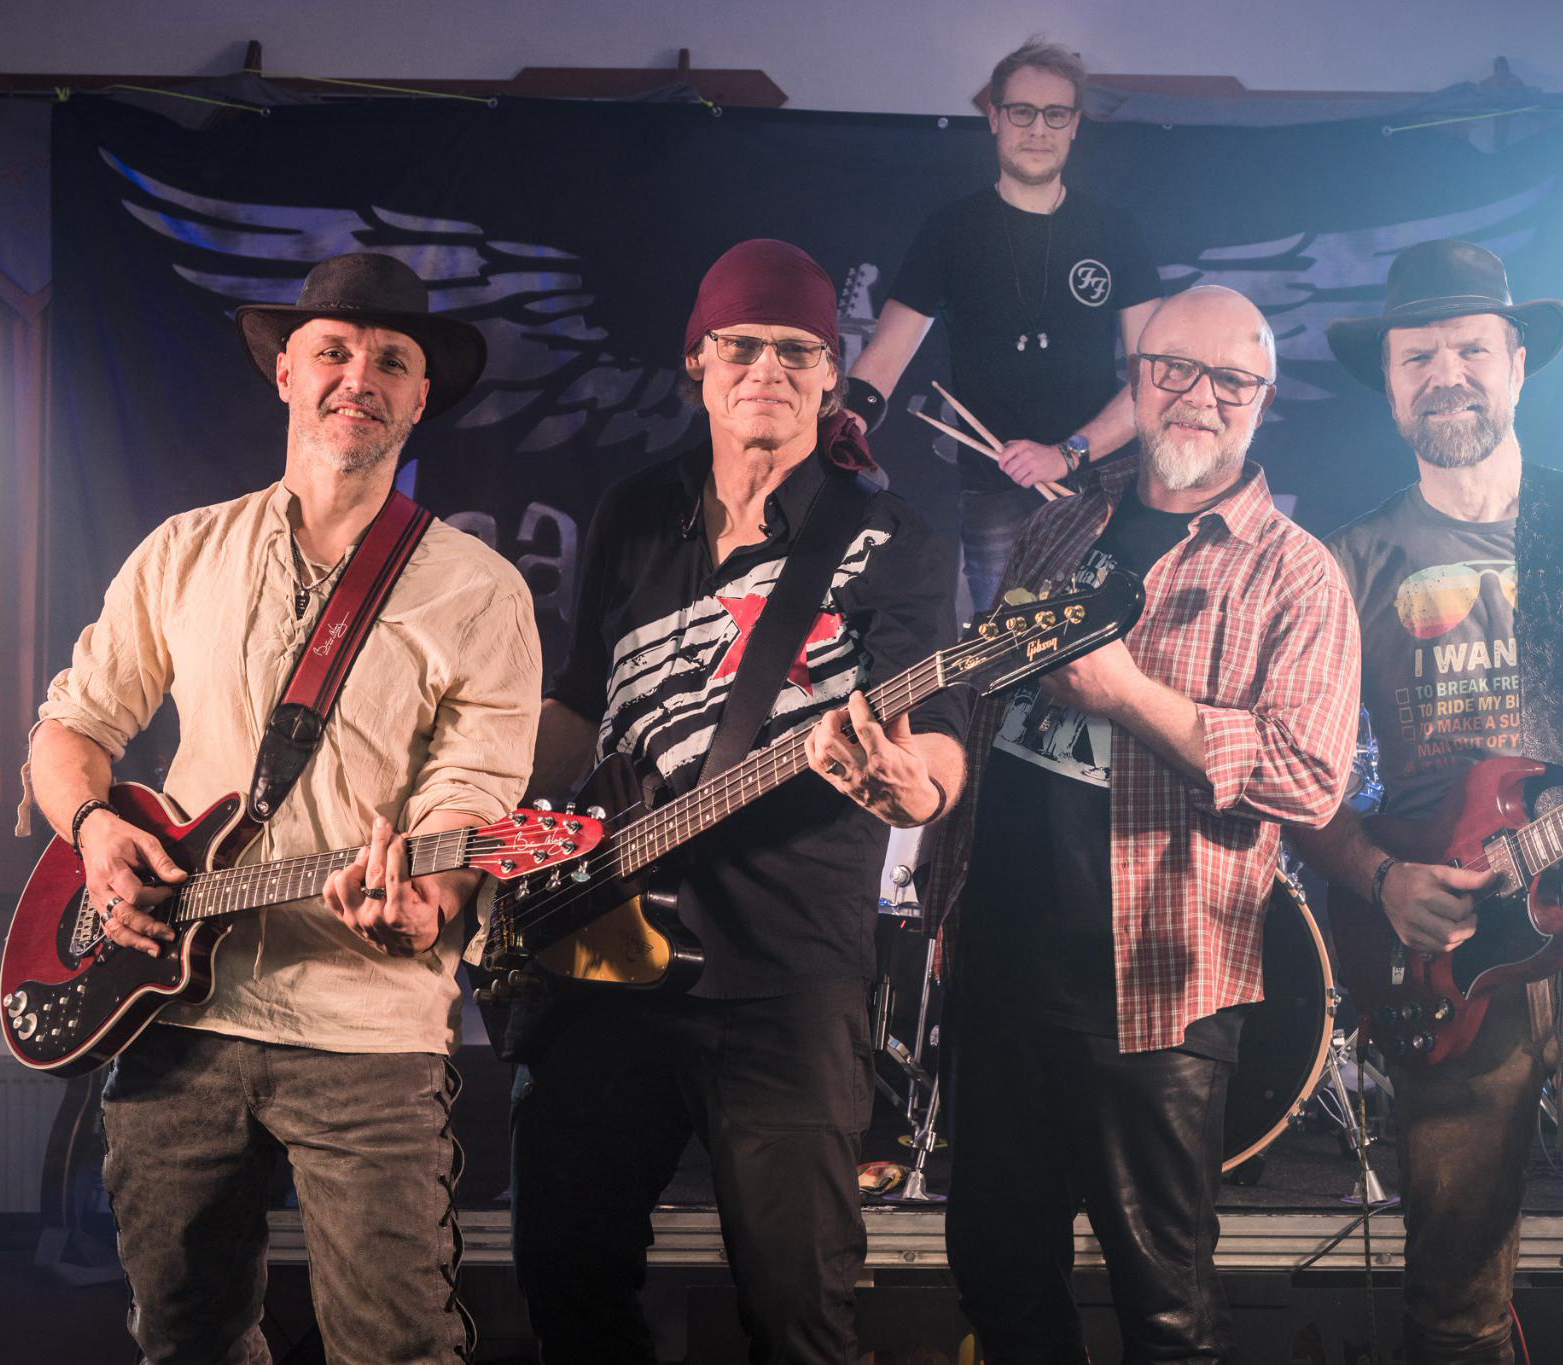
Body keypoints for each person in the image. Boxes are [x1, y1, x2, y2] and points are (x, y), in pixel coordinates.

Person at [25, 251, 542, 1364]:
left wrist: (428, 899)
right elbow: (70, 732)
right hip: (173, 1018)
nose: (360, 376)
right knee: (185, 1337)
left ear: (418, 398)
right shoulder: (183, 550)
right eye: (334, 352)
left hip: (367, 1028)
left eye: (390, 361)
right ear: (287, 375)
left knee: (394, 1345)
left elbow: (474, 794)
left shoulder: (480, 588)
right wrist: (95, 828)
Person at [510, 238, 970, 1364]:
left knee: (798, 1312)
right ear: (698, 365)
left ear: (832, 376)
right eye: (742, 347)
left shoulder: (893, 541)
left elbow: (940, 730)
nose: (768, 369)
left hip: (787, 976)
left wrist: (916, 787)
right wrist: (489, 818)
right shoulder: (632, 513)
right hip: (605, 949)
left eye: (797, 351)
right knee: (565, 1275)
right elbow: (582, 698)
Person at [1295, 239, 1563, 1364]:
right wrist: (1382, 880)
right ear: (1389, 382)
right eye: (1417, 356)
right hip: (1445, 958)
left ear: (1518, 363)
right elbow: (1298, 787)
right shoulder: (1346, 563)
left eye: (1470, 350)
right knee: (1450, 1297)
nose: (1446, 374)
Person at [925, 285, 1363, 1362]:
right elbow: (985, 703)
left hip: (1158, 990)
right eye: (1174, 370)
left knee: (1163, 1308)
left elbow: (1310, 780)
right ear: (1134, 379)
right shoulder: (1059, 523)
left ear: (1262, 400)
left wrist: (1129, 698)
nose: (1199, 397)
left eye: (1231, 381)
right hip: (1003, 964)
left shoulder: (1297, 573)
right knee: (995, 1273)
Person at [848, 36, 1165, 612]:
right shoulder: (949, 231)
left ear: (1075, 124)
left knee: (1097, 642)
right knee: (1004, 645)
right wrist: (844, 423)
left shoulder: (1115, 231)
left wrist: (1068, 452)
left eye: (1055, 114)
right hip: (992, 487)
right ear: (994, 117)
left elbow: (1154, 378)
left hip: (1097, 485)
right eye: (1022, 112)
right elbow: (884, 358)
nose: (1038, 129)